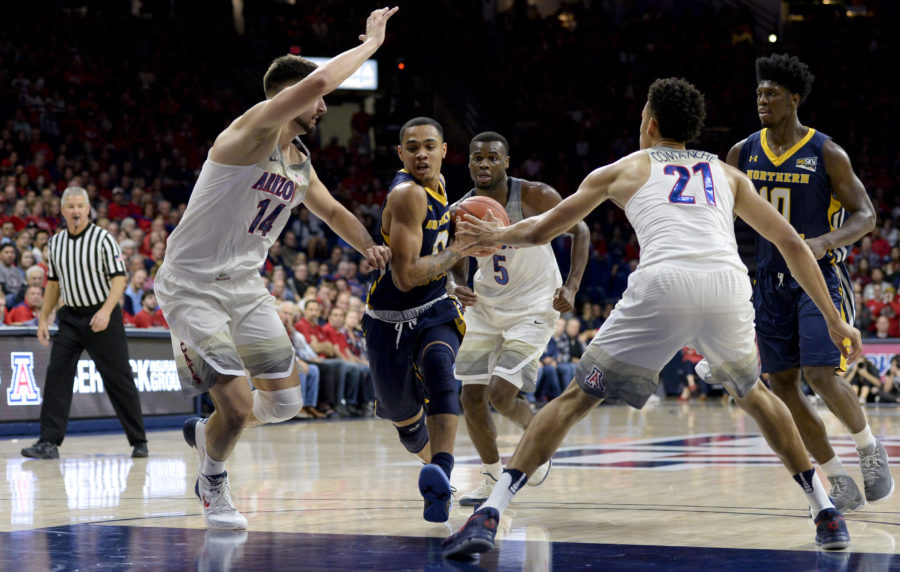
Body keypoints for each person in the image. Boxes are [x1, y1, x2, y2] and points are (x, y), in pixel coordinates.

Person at [442, 78, 862, 558]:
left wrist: (494, 234)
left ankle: (491, 511)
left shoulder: (625, 168)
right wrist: (834, 318)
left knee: (577, 398)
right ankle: (824, 509)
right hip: (727, 284)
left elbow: (540, 231)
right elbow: (791, 243)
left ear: (652, 123)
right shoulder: (726, 173)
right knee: (757, 396)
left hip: (664, 283)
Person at [153, 7, 397, 530]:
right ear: (298, 96)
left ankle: (207, 432)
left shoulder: (298, 160)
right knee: (239, 407)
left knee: (285, 403)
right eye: (318, 98)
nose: (324, 105)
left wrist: (368, 246)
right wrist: (371, 43)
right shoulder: (250, 132)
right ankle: (213, 479)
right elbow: (325, 76)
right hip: (193, 286)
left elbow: (330, 211)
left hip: (244, 285)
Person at [725, 54, 892, 513]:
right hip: (767, 281)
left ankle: (867, 448)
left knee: (819, 374)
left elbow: (867, 216)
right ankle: (837, 477)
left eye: (772, 93)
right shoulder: (741, 152)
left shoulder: (826, 152)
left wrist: (825, 242)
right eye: (759, 92)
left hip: (819, 278)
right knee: (781, 384)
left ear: (794, 98)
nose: (762, 99)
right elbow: (720, 213)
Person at [448, 131, 589, 506]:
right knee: (472, 398)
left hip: (533, 307)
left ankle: (536, 439)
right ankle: (491, 476)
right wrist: (456, 284)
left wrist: (572, 287)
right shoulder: (462, 208)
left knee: (500, 393)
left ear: (506, 162)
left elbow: (581, 230)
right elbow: (456, 263)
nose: (484, 164)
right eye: (477, 158)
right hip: (486, 309)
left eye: (492, 158)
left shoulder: (534, 195)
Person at [362, 116, 485, 523]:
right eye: (412, 147)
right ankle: (436, 474)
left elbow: (443, 248)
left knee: (440, 368)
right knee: (407, 423)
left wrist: (457, 279)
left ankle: (443, 473)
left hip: (434, 307)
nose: (421, 154)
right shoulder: (408, 196)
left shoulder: (443, 187)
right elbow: (407, 274)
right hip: (387, 318)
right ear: (400, 154)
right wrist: (461, 251)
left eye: (429, 146)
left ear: (445, 151)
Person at [21, 186, 148, 460]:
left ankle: (139, 440)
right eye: (71, 207)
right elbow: (53, 284)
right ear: (63, 211)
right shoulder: (55, 244)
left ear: (87, 209)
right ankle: (48, 442)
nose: (76, 211)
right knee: (57, 375)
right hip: (70, 317)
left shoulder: (104, 239)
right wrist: (43, 317)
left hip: (103, 315)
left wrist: (105, 310)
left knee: (119, 378)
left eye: (81, 206)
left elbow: (119, 279)